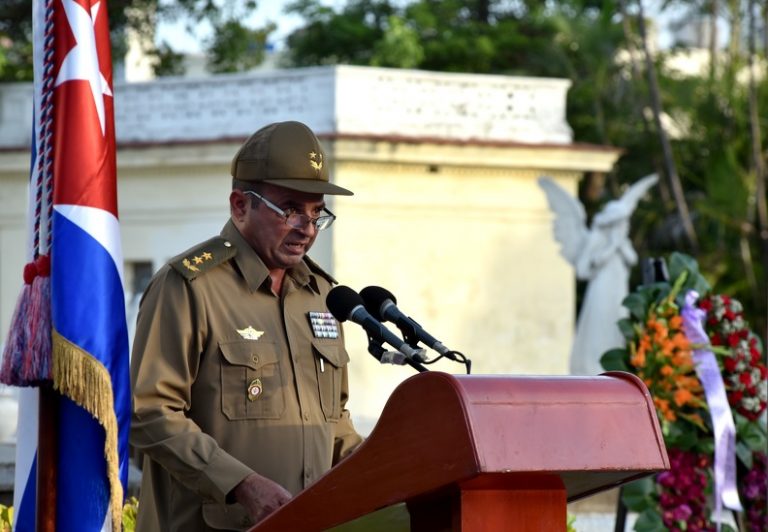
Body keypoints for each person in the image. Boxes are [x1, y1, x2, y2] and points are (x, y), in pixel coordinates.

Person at [130, 121, 364, 531]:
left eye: (316, 213)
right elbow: (148, 412)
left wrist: (391, 469)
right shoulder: (189, 287)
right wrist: (239, 484)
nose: (307, 229)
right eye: (290, 209)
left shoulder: (321, 295)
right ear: (240, 205)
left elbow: (334, 420)